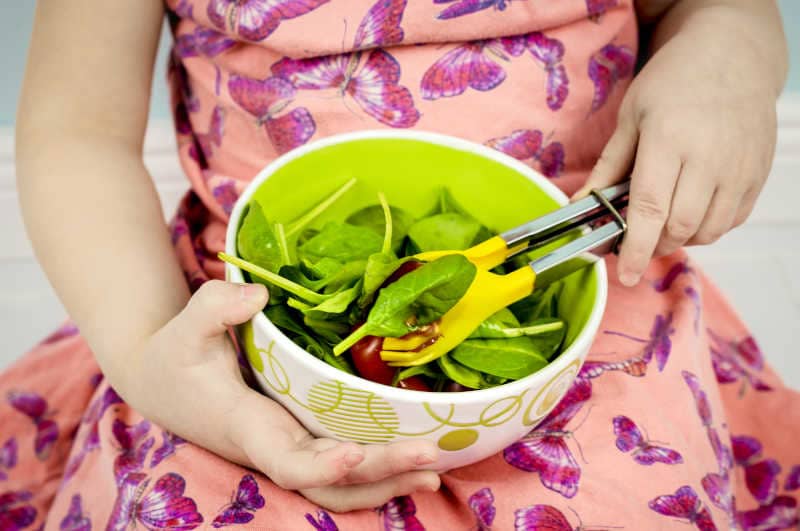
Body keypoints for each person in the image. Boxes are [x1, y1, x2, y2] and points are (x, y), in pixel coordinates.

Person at [2, 0, 797, 528]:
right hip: (227, 334)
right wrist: (151, 356)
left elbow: (714, 5)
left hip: (595, 290)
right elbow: (77, 135)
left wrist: (727, 53)